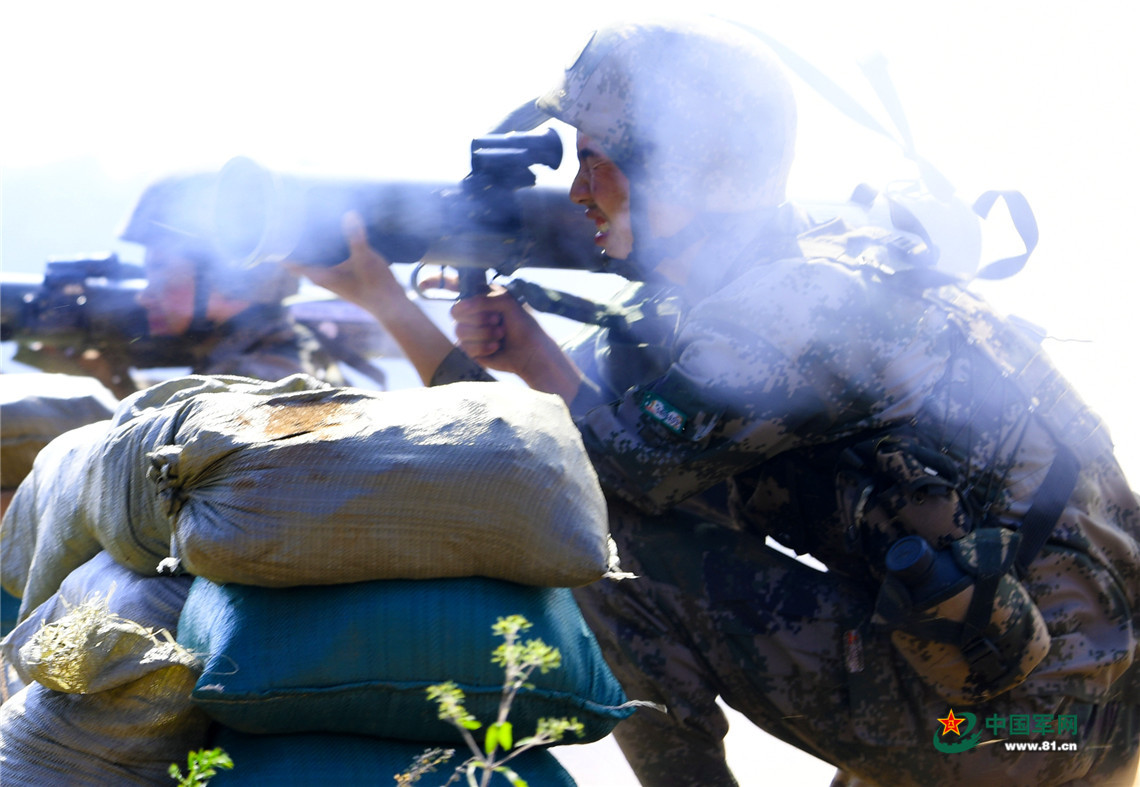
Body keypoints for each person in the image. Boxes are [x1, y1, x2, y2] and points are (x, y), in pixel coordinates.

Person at [293, 18, 1140, 786]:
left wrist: (392, 306)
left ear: (681, 173)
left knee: (611, 550)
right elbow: (606, 427)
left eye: (598, 161)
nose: (580, 191)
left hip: (1021, 725)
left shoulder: (788, 310)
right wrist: (526, 354)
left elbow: (570, 473)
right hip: (1078, 702)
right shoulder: (817, 265)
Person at [109, 172, 346, 394]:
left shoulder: (254, 381)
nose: (144, 297)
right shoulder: (277, 353)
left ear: (232, 278)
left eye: (163, 271)